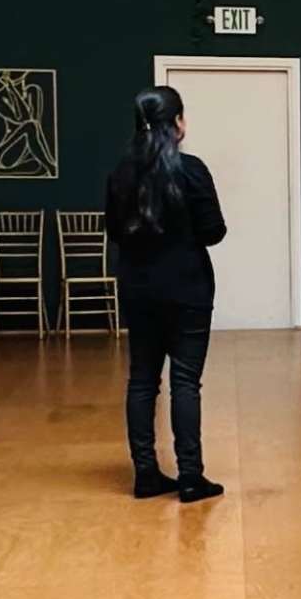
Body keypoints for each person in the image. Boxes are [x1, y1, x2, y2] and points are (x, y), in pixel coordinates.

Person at [103, 86, 226, 501]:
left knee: (142, 381)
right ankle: (190, 476)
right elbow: (214, 231)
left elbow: (115, 233)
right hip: (188, 286)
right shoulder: (191, 170)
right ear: (178, 123)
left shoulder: (121, 173)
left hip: (138, 288)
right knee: (185, 382)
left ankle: (146, 475)